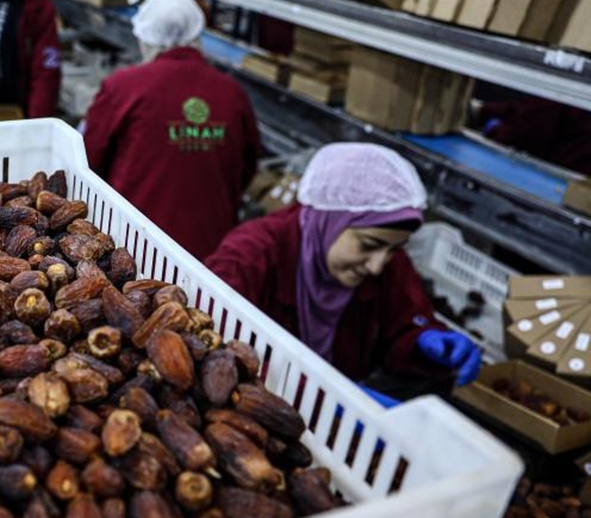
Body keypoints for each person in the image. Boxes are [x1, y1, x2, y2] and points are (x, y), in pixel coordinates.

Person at [205, 143, 482, 388]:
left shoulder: (390, 265)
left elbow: (402, 326)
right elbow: (213, 344)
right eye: (368, 244)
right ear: (331, 221)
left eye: (395, 248)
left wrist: (422, 340)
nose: (377, 266)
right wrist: (322, 394)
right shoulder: (251, 256)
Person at [82, 0, 259, 260]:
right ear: (197, 34)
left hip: (134, 248)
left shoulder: (123, 87)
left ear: (145, 36)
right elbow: (246, 168)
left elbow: (89, 161)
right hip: (210, 253)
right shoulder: (232, 93)